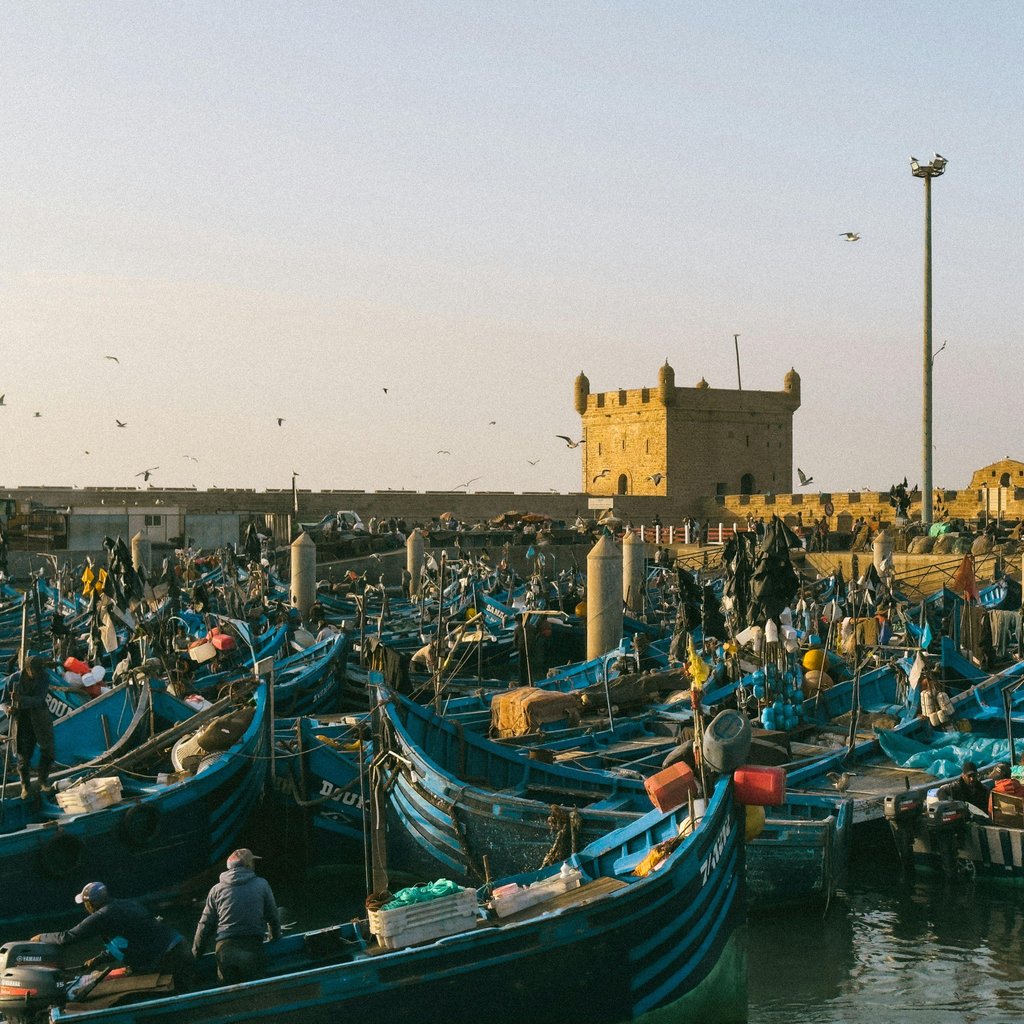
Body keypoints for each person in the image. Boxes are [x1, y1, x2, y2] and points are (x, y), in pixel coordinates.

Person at [37, 882, 193, 991]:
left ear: (90, 904)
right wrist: (99, 959)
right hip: (179, 946)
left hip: (165, 957)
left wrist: (41, 938)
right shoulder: (127, 904)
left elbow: (68, 937)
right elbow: (128, 941)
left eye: (85, 904)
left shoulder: (102, 915)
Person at [193, 849, 281, 983]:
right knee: (258, 990)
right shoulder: (262, 884)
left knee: (228, 992)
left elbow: (205, 925)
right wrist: (275, 937)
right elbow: (273, 916)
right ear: (248, 865)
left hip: (225, 950)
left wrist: (196, 953)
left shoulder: (216, 890)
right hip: (252, 946)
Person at [2, 654, 56, 799]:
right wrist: (8, 709)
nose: (36, 674)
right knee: (23, 755)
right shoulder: (13, 679)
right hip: (22, 720)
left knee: (48, 751)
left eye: (39, 671)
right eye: (34, 671)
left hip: (40, 717)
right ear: (27, 669)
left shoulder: (44, 677)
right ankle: (25, 786)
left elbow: (39, 699)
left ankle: (43, 780)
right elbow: (3, 701)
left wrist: (21, 699)